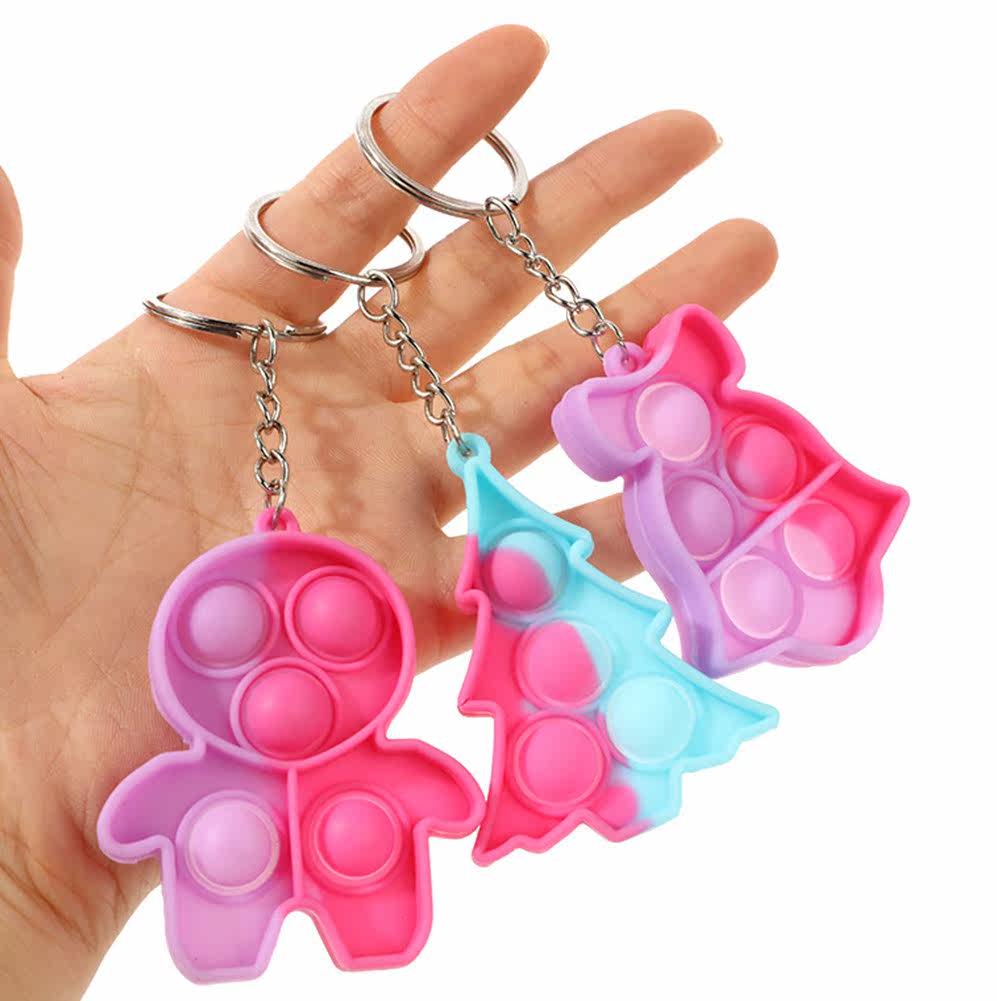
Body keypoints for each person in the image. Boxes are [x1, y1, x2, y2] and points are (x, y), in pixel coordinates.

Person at [0, 25, 776, 1000]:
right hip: (243, 840)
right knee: (289, 870)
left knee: (351, 875)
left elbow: (414, 793)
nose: (291, 655)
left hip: (301, 825)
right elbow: (417, 794)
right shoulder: (215, 721)